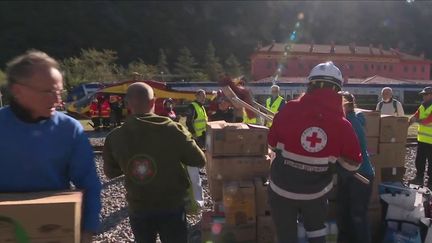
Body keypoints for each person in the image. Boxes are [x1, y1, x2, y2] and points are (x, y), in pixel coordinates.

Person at [0, 50, 101, 242]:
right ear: (18, 91)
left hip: (53, 229)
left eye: (59, 92)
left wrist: (88, 230)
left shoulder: (68, 129)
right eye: (49, 92)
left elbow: (90, 183)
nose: (57, 100)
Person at [267, 61, 362, 243]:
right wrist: (334, 163)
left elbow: (272, 143)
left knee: (286, 235)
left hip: (281, 188)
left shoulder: (288, 109)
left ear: (309, 85)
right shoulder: (343, 125)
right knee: (317, 232)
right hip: (316, 192)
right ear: (338, 90)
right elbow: (353, 163)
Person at [103, 82, 206, 243]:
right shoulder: (173, 129)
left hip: (139, 207)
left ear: (127, 104)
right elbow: (199, 160)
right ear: (153, 102)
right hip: (171, 206)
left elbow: (111, 172)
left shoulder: (114, 137)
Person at [337, 91, 375, 243]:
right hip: (350, 175)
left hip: (360, 176)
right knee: (345, 215)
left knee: (358, 217)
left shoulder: (349, 123)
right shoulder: (352, 119)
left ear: (344, 105)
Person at [409, 86, 432, 186]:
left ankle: (430, 183)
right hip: (422, 139)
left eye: (425, 95)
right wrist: (405, 125)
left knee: (431, 163)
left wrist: (416, 120)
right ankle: (419, 179)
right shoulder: (422, 106)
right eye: (423, 95)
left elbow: (427, 121)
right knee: (419, 161)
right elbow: (415, 116)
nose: (423, 97)